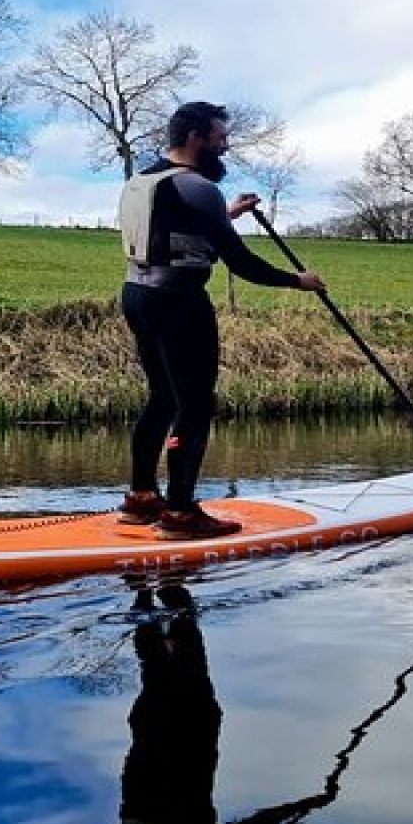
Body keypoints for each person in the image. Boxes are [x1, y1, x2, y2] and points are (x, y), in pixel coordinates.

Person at [118, 101, 324, 538]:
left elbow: (170, 234)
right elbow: (241, 262)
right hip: (178, 302)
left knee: (162, 398)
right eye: (220, 138)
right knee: (194, 405)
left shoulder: (142, 180)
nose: (225, 147)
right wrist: (298, 281)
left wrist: (225, 216)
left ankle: (140, 500)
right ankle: (179, 513)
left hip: (138, 296)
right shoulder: (197, 187)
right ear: (195, 138)